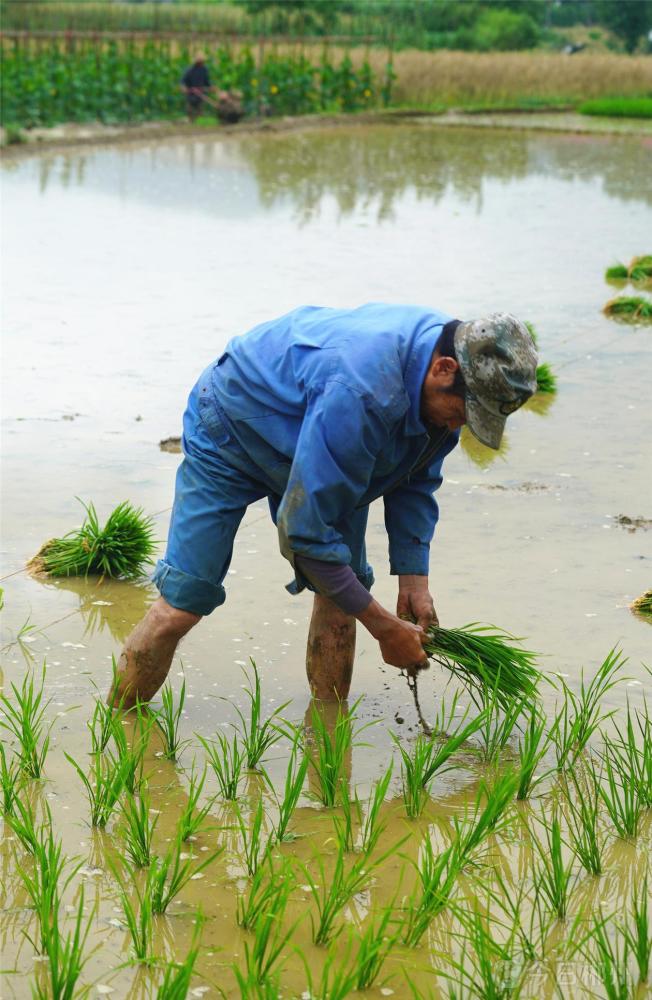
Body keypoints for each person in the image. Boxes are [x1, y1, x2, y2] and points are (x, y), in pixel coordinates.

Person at [110, 304, 537, 708]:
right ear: (445, 369)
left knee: (343, 592)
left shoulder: (446, 372)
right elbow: (304, 535)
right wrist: (384, 627)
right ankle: (118, 732)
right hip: (233, 429)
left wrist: (414, 582)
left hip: (329, 440)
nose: (460, 424)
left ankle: (329, 739)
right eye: (464, 410)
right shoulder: (362, 391)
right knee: (183, 604)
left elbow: (416, 479)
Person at [181, 52, 214, 121]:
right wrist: (184, 88)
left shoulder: (204, 70)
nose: (201, 63)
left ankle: (198, 122)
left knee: (200, 110)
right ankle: (191, 121)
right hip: (191, 93)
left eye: (202, 62)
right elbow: (183, 81)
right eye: (200, 62)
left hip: (201, 93)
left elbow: (207, 81)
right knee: (190, 110)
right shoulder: (190, 70)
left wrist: (211, 87)